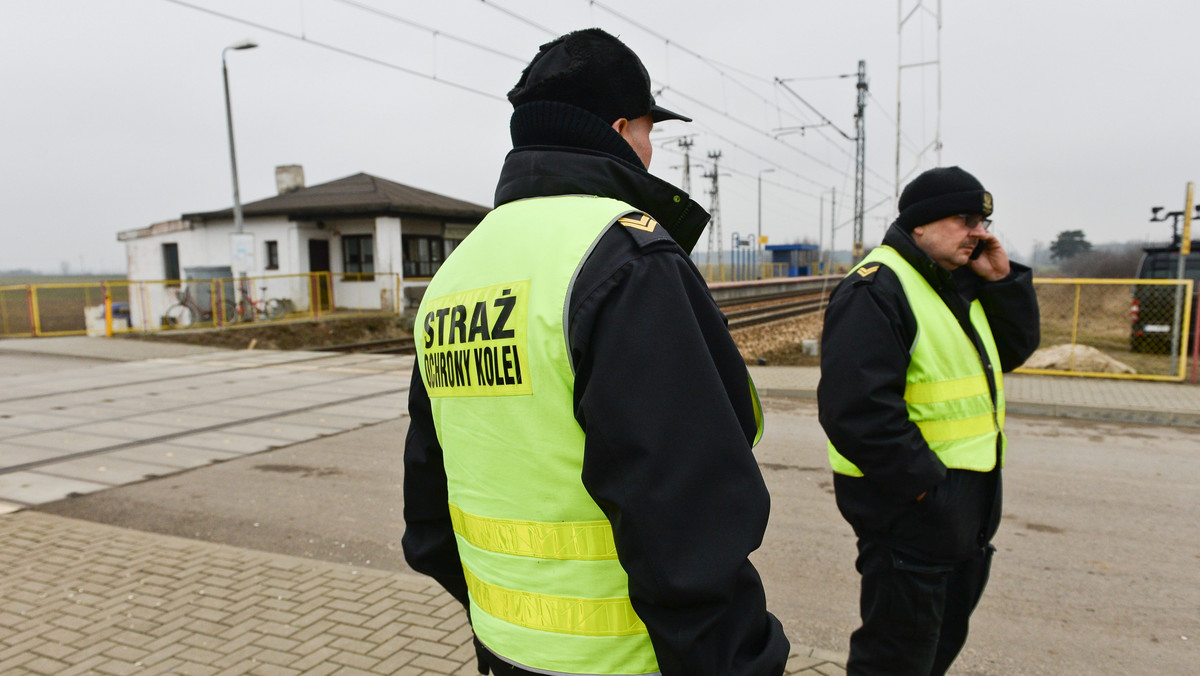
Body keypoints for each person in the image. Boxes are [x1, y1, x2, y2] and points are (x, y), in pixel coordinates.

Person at [402, 28, 789, 676]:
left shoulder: (459, 272)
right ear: (618, 128)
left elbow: (428, 518)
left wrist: (515, 622)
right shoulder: (621, 257)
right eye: (647, 131)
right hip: (626, 662)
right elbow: (687, 514)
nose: (649, 149)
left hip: (505, 651)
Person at [817, 166, 1040, 675]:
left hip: (963, 513)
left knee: (934, 649)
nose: (980, 232)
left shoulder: (955, 284)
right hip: (913, 514)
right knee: (895, 658)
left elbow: (1012, 350)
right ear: (919, 225)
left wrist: (1003, 282)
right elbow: (857, 412)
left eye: (983, 220)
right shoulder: (878, 288)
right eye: (965, 219)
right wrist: (926, 492)